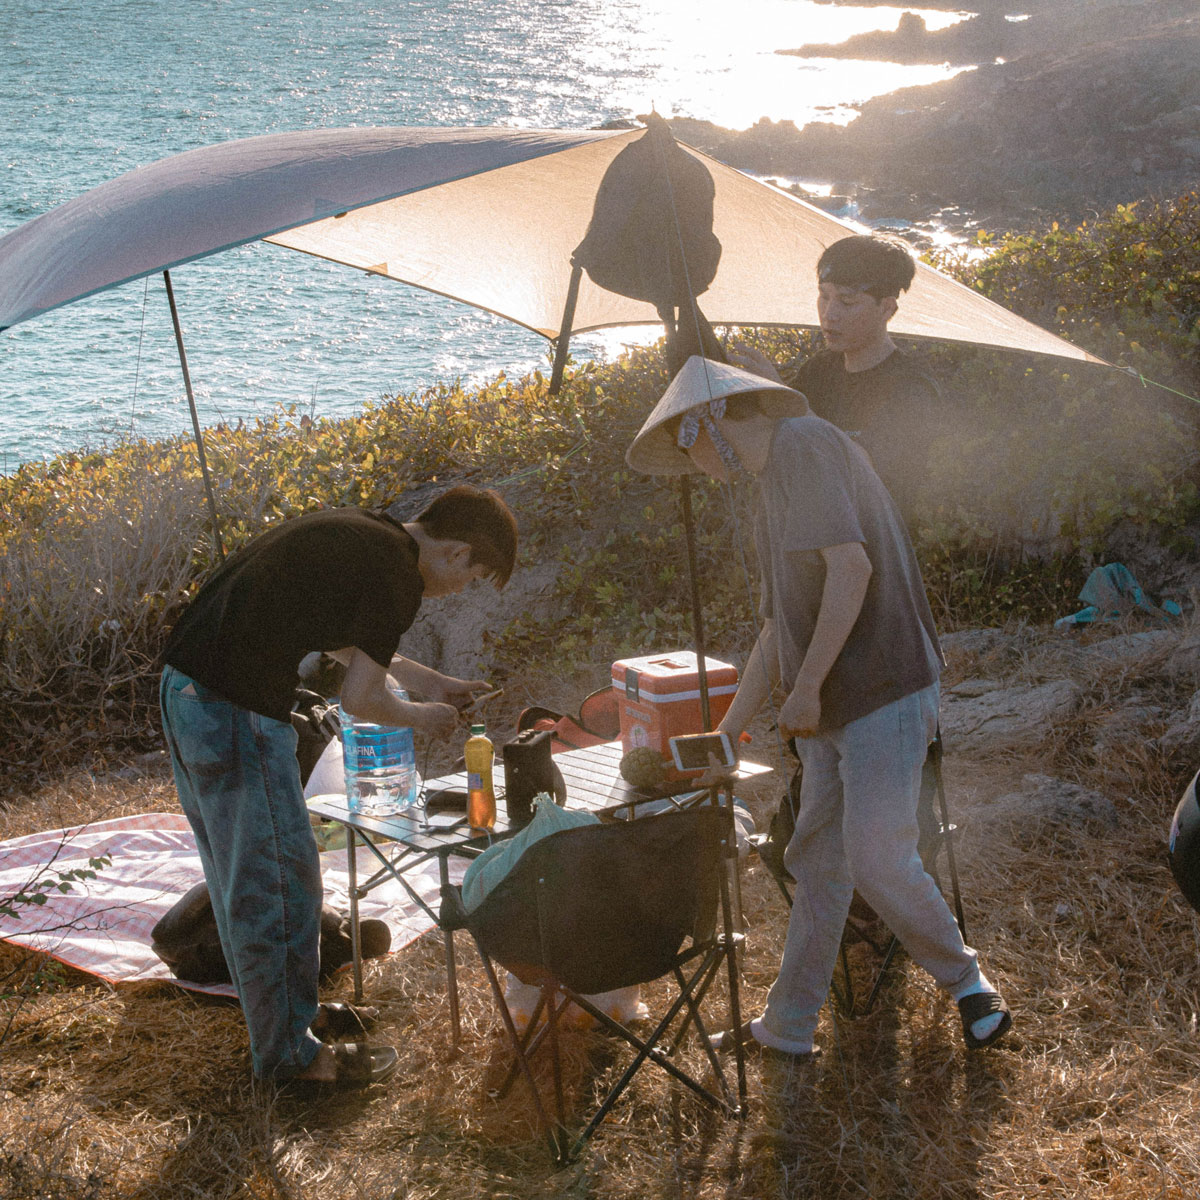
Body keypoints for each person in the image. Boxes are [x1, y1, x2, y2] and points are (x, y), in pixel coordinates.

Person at [626, 357, 1011, 1058]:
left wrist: (804, 691)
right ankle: (789, 1025)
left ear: (710, 421)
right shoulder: (773, 484)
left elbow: (852, 569)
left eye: (688, 444)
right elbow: (779, 631)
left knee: (876, 857)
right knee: (817, 863)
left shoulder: (804, 442)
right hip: (833, 708)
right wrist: (728, 729)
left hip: (883, 685)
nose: (693, 464)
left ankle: (969, 984)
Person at [158, 484, 518, 1089]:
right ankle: (290, 1061)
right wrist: (424, 717)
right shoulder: (398, 578)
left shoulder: (370, 537)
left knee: (247, 877)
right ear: (456, 553)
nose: (461, 590)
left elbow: (340, 639)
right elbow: (361, 698)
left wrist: (429, 682)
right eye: (473, 576)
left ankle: (288, 1020)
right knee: (275, 882)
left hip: (188, 690)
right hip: (232, 708)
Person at [731, 233, 939, 527]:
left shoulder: (912, 389)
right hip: (811, 541)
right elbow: (774, 450)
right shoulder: (820, 369)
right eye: (824, 296)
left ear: (887, 308)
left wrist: (788, 401)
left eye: (847, 301)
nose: (829, 315)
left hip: (878, 549)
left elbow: (862, 470)